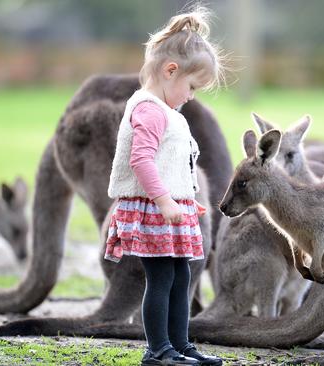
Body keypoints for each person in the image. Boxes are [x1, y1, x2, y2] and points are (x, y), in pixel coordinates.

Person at [104, 7, 223, 366]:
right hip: (153, 207)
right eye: (191, 87)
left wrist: (184, 199)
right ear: (171, 71)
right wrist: (165, 200)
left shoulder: (168, 111)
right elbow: (141, 160)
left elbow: (171, 162)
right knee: (160, 279)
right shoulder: (149, 110)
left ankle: (180, 345)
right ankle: (158, 350)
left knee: (180, 276)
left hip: (170, 207)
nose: (191, 96)